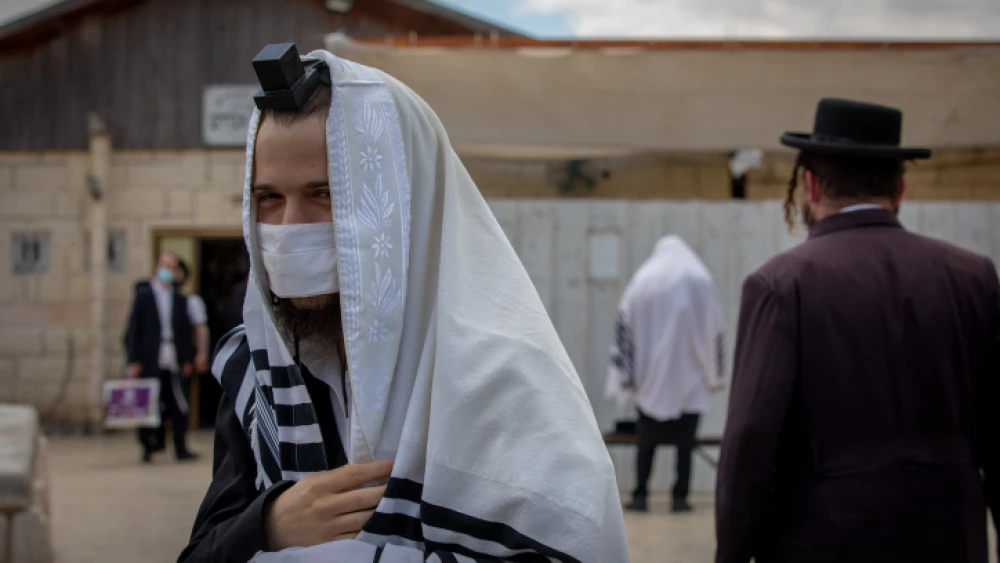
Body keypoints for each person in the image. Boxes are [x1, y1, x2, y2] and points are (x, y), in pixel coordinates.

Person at [179, 45, 628, 562]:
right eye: (269, 200)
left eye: (325, 195)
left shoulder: (505, 384)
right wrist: (270, 523)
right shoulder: (254, 373)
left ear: (402, 204)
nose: (289, 230)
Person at [715, 98, 999, 563]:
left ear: (810, 185)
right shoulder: (973, 278)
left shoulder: (782, 285)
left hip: (822, 543)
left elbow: (750, 441)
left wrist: (731, 554)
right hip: (952, 540)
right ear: (900, 190)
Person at [607, 235, 725, 513]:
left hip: (650, 381)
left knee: (646, 445)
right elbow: (715, 329)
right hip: (691, 381)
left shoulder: (644, 280)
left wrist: (625, 377)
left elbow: (624, 328)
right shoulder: (700, 279)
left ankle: (640, 496)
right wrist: (714, 375)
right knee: (685, 446)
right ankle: (679, 497)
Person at [123, 251, 204, 463]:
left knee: (178, 403)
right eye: (164, 265)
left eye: (172, 267)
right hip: (151, 357)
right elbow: (133, 330)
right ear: (156, 267)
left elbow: (185, 332)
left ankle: (180, 446)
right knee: (150, 403)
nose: (167, 271)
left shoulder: (180, 299)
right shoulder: (144, 295)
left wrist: (187, 359)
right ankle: (147, 446)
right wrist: (134, 360)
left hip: (174, 357)